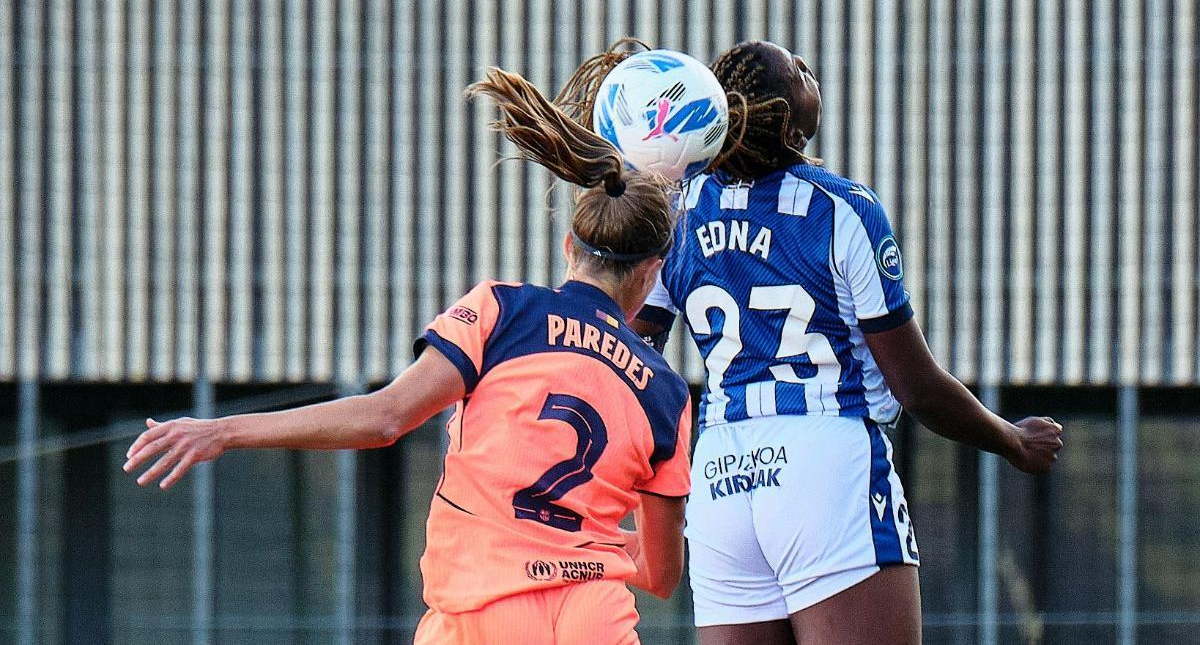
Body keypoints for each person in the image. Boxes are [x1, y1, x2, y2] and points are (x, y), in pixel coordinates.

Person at [123, 66, 693, 645]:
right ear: (652, 273)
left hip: (481, 617)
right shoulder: (666, 393)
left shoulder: (504, 313)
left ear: (570, 245)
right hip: (595, 619)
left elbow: (385, 418)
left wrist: (222, 431)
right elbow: (660, 575)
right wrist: (584, 540)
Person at [613, 40, 1064, 644]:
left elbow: (631, 354)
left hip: (721, 476)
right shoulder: (842, 209)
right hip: (826, 462)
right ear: (792, 128)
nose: (809, 71)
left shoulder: (680, 214)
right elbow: (916, 387)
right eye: (798, 70)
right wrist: (1011, 440)